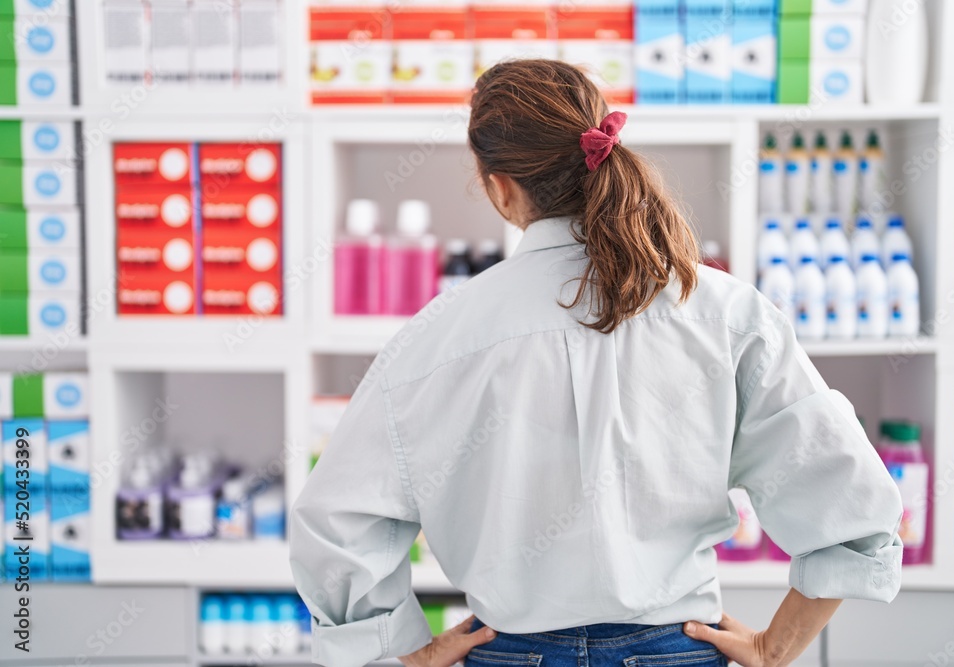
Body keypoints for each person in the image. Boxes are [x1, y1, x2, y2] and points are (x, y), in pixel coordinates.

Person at [289, 60, 903, 667]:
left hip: (505, 652)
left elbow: (336, 524)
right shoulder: (723, 310)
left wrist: (408, 651)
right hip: (677, 650)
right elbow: (853, 504)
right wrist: (776, 649)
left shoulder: (436, 337)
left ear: (499, 187)